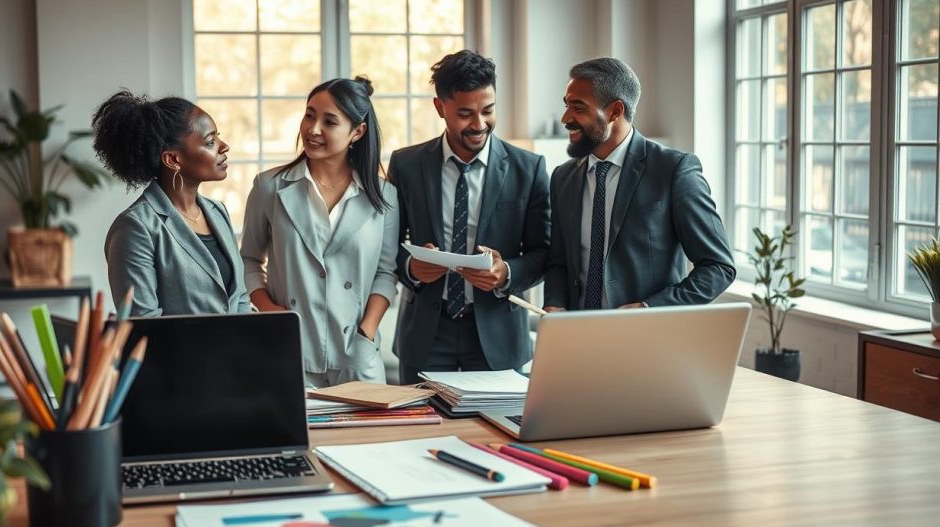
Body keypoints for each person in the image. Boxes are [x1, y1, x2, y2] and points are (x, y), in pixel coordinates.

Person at [390, 50, 551, 385]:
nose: (479, 124)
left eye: (488, 111)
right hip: (426, 336)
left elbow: (545, 252)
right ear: (440, 107)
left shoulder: (529, 169)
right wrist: (411, 269)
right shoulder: (406, 165)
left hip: (498, 336)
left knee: (495, 435)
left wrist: (506, 272)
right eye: (465, 113)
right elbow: (386, 246)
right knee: (421, 435)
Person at [240, 77, 398, 386]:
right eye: (310, 114)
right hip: (289, 349)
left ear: (357, 132)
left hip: (357, 353)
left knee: (369, 435)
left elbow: (386, 272)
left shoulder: (384, 194)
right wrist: (271, 311)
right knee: (293, 435)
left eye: (329, 121)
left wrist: (366, 331)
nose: (313, 129)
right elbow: (248, 260)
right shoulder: (269, 187)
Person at [544, 57, 735, 312]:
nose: (566, 118)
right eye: (566, 106)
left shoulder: (674, 170)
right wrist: (555, 303)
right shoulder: (562, 178)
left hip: (648, 339)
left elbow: (719, 267)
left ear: (615, 111)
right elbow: (558, 261)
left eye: (578, 108)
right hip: (578, 339)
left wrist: (650, 308)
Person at [94, 91, 252, 317]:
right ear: (173, 159)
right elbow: (144, 323)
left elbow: (240, 297)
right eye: (210, 141)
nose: (224, 146)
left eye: (218, 137)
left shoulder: (218, 211)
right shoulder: (135, 228)